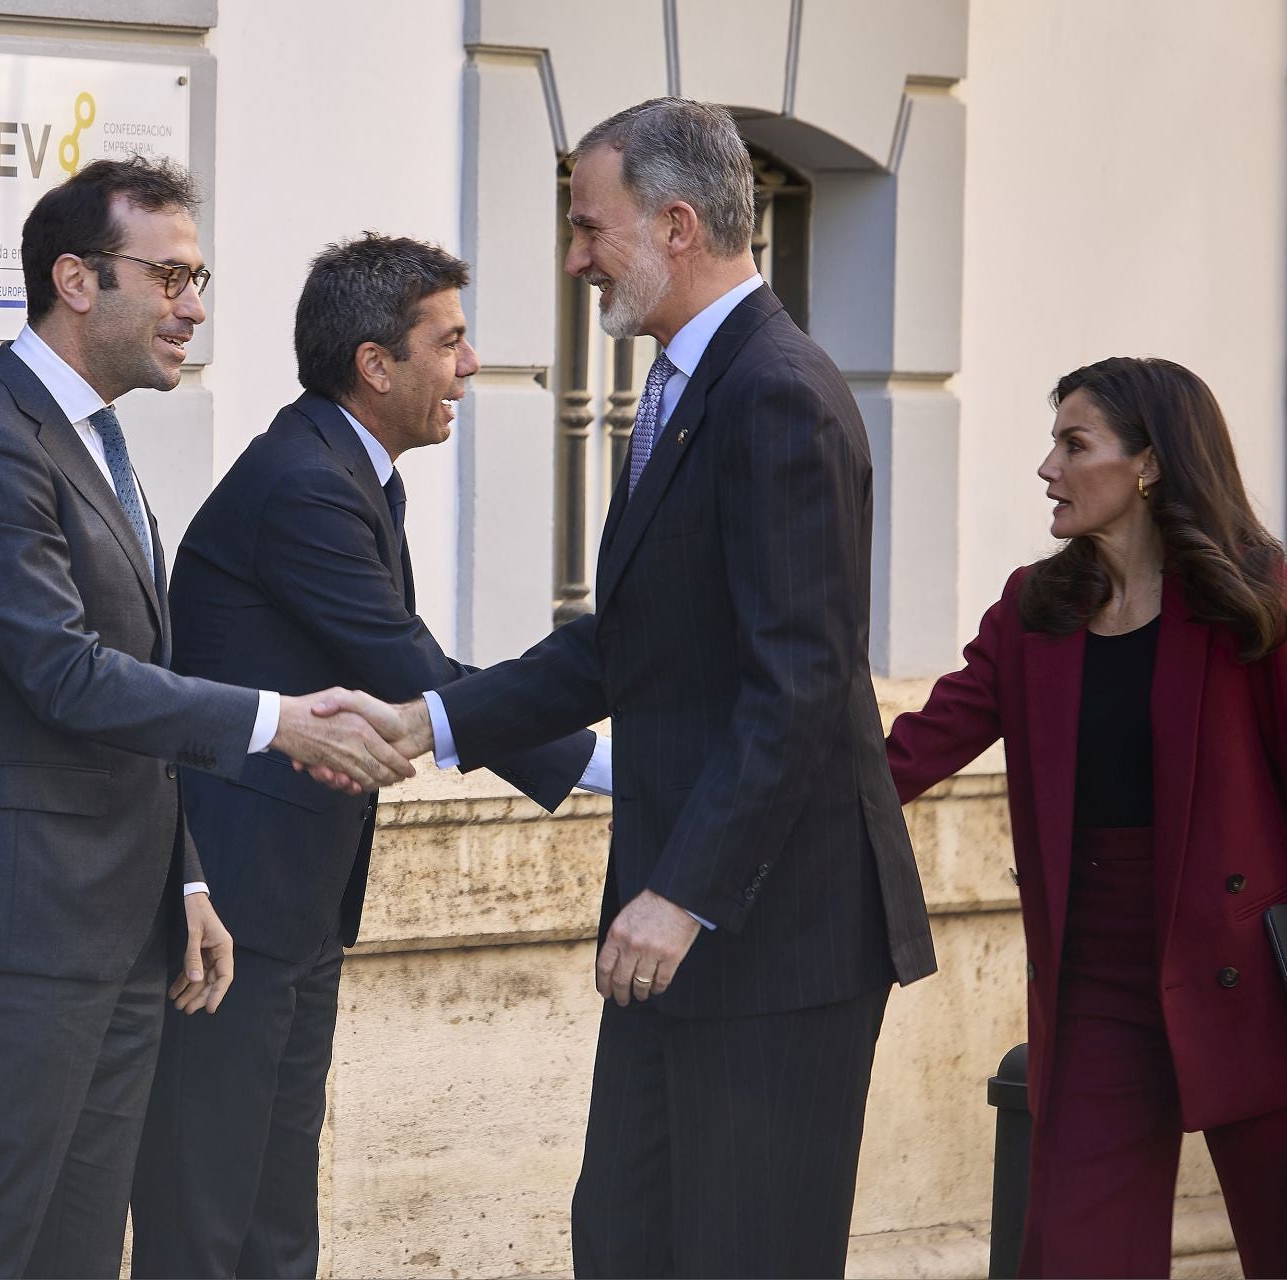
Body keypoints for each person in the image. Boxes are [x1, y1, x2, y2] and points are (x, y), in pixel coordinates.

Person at [325, 98, 937, 1277]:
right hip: (686, 923)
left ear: (675, 222)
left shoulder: (777, 392)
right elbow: (631, 642)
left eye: (586, 225)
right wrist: (431, 718)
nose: (572, 256)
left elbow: (801, 685)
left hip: (768, 935)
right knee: (625, 1238)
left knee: (737, 1251)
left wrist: (684, 893)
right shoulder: (692, 388)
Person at [0, 158, 416, 1279]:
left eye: (199, 274)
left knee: (80, 1250)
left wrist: (185, 880)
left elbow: (135, 681)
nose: (194, 303)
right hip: (23, 925)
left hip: (125, 924)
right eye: (169, 274)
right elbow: (67, 676)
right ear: (75, 279)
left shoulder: (96, 437)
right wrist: (279, 720)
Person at [129, 233, 607, 1278]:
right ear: (376, 363)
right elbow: (410, 667)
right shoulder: (305, 483)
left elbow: (404, 677)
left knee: (273, 1207)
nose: (469, 366)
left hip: (289, 901)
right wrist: (609, 761)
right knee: (208, 1206)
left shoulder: (348, 469)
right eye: (450, 341)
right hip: (232, 907)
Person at [887, 356, 1287, 1278]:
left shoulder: (1249, 595)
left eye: (1074, 444)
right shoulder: (1032, 612)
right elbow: (909, 756)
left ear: (1150, 463)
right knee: (1079, 1253)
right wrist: (748, 806)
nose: (1048, 467)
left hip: (1252, 975)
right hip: (1095, 980)